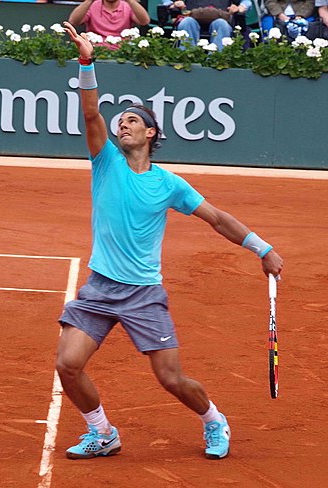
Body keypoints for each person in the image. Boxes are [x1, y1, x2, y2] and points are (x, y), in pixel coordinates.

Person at [56, 21, 284, 461]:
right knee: (68, 364)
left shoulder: (169, 184)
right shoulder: (105, 162)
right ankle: (102, 432)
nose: (122, 125)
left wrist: (263, 248)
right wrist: (86, 61)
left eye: (132, 121)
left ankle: (214, 419)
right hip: (100, 287)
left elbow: (217, 218)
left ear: (151, 134)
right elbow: (90, 113)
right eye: (120, 120)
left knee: (171, 379)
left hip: (143, 293)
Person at [162, 0, 252, 50]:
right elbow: (167, 1)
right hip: (191, 16)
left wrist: (241, 7)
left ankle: (216, 60)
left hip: (221, 17)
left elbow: (247, 2)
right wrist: (172, 4)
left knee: (222, 24)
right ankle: (187, 58)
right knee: (187, 22)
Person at [68, 0, 150, 41]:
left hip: (122, 51)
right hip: (95, 49)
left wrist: (131, 1)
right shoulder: (93, 5)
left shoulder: (127, 6)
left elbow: (144, 21)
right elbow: (73, 21)